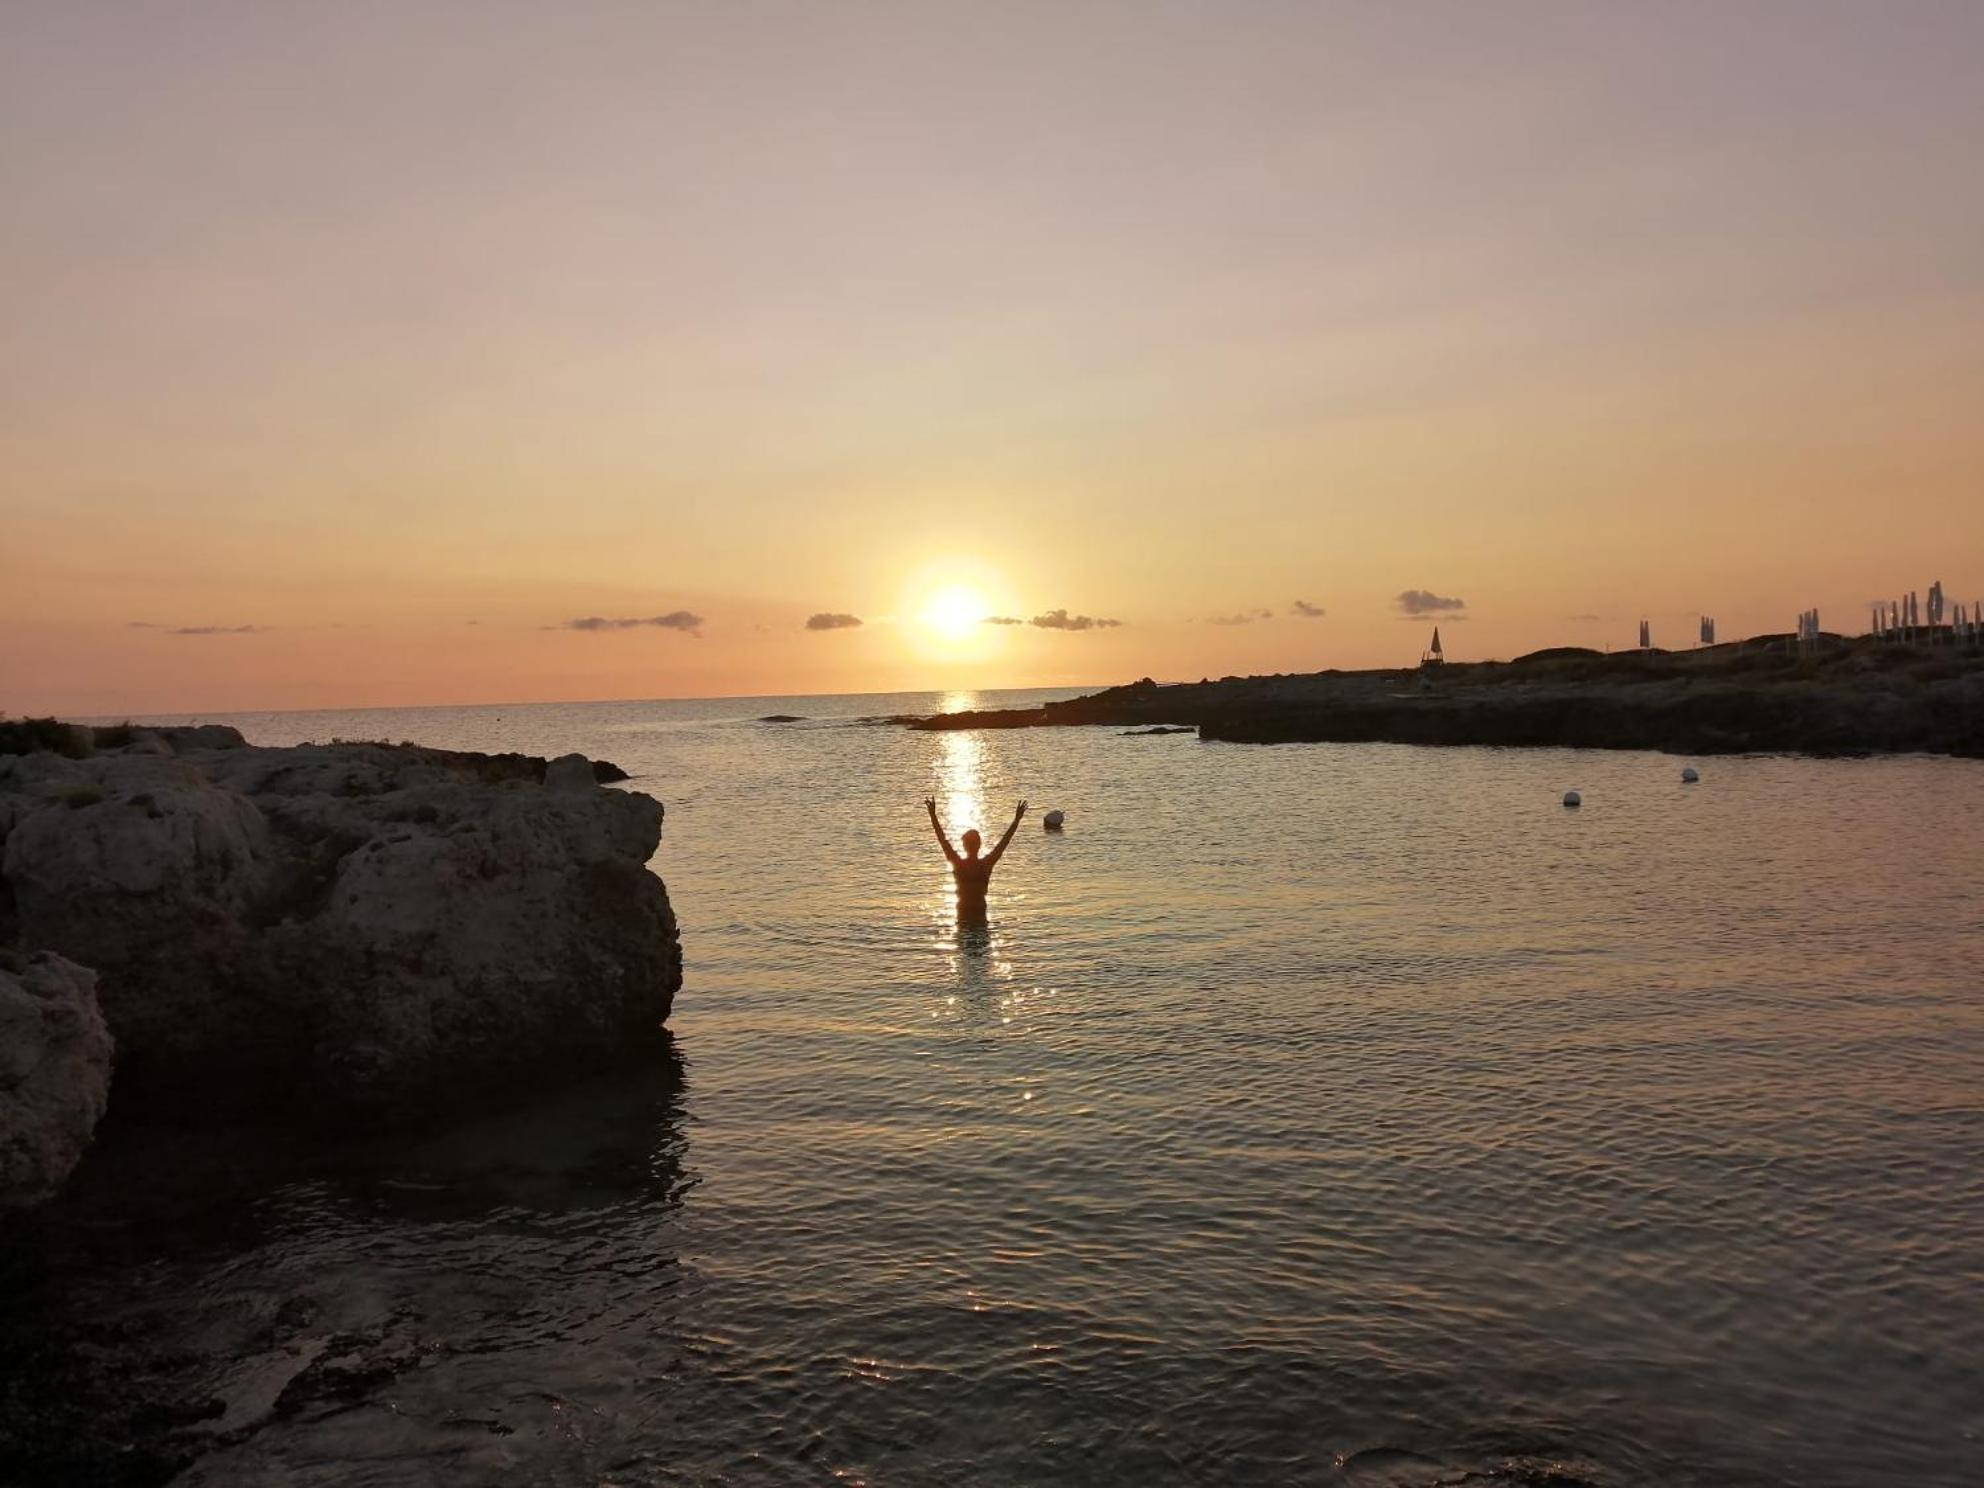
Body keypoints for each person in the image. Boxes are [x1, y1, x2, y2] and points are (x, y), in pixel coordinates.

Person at [924, 797, 1026, 925]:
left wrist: (933, 815)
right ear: (979, 845)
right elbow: (1004, 842)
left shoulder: (958, 864)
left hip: (964, 921)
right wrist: (1016, 820)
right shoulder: (986, 864)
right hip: (980, 922)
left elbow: (942, 839)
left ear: (964, 846)